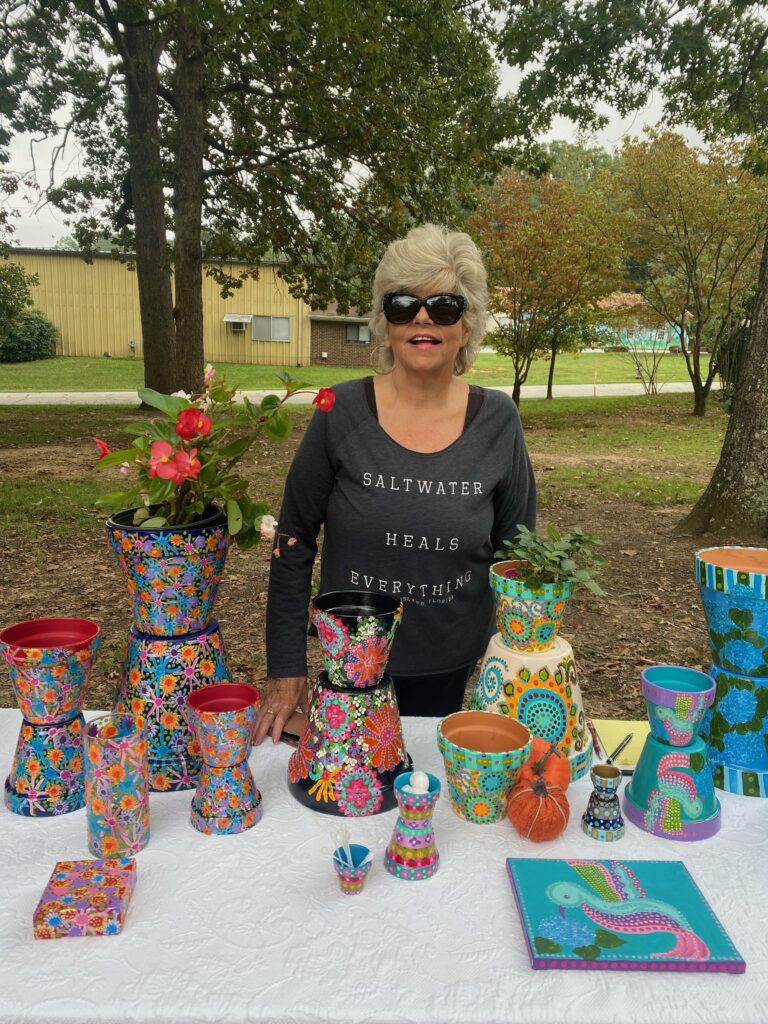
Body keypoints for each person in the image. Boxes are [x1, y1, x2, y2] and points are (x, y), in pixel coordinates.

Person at [254, 223, 536, 744]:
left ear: (467, 324)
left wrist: (522, 668)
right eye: (403, 304)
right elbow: (292, 542)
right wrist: (286, 667)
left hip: (451, 668)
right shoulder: (338, 413)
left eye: (445, 306)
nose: (423, 318)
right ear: (384, 323)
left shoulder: (499, 420)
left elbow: (518, 557)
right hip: (351, 669)